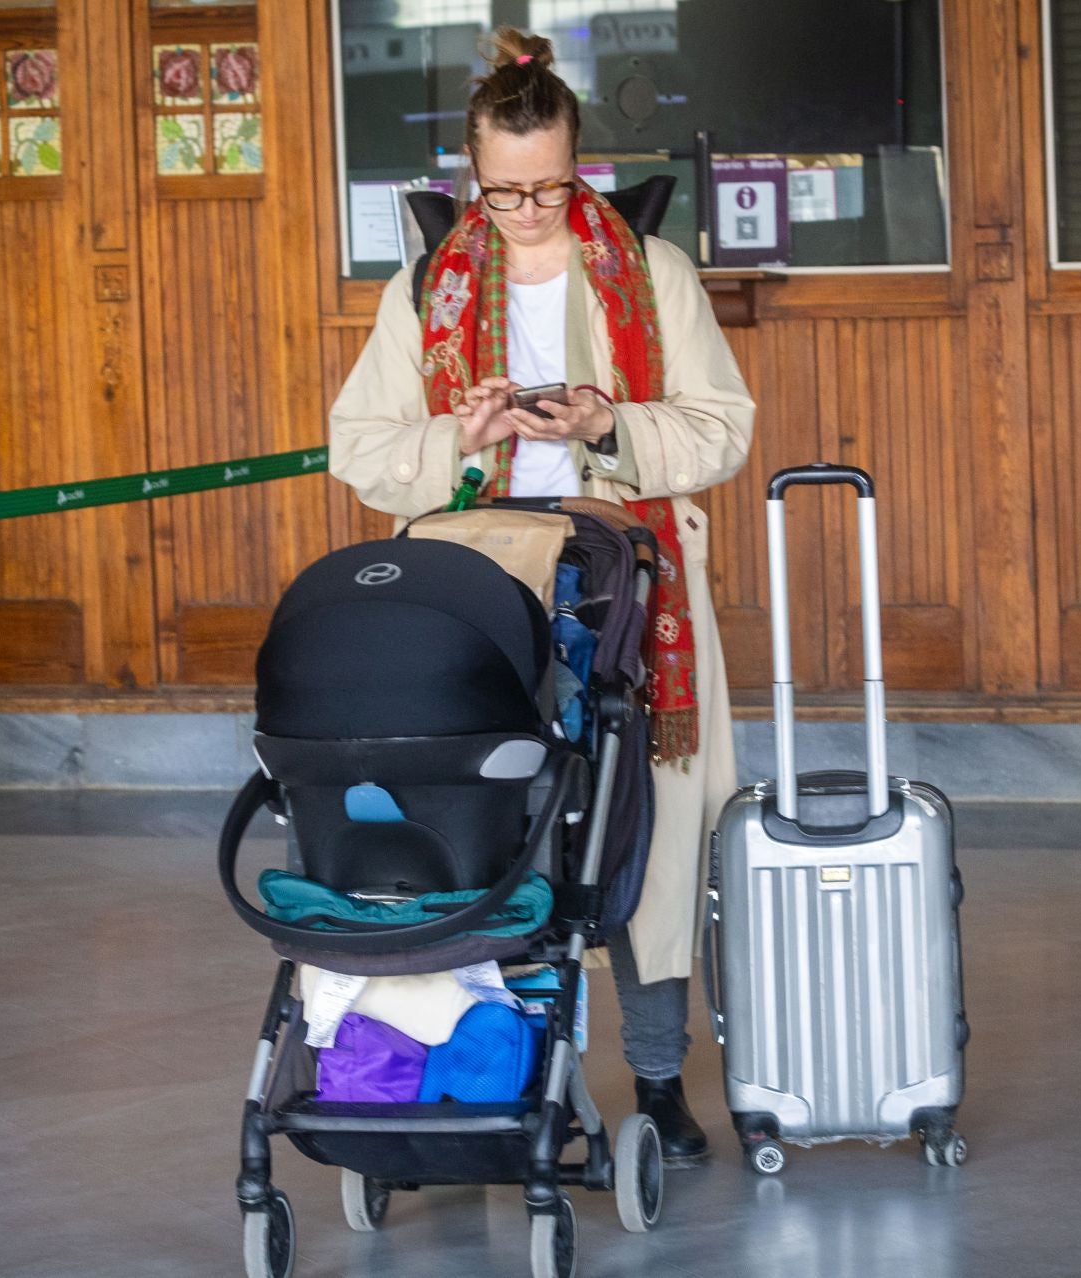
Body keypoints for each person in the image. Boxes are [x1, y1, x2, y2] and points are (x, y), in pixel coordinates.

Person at [329, 27, 754, 1164]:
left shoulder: (651, 275)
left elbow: (725, 427)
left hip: (623, 579)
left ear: (582, 169)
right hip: (477, 585)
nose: (527, 212)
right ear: (473, 174)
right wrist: (452, 435)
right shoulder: (427, 283)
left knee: (646, 831)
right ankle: (523, 1076)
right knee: (504, 823)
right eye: (505, 191)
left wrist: (607, 424)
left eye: (551, 189)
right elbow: (359, 451)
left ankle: (658, 1081)